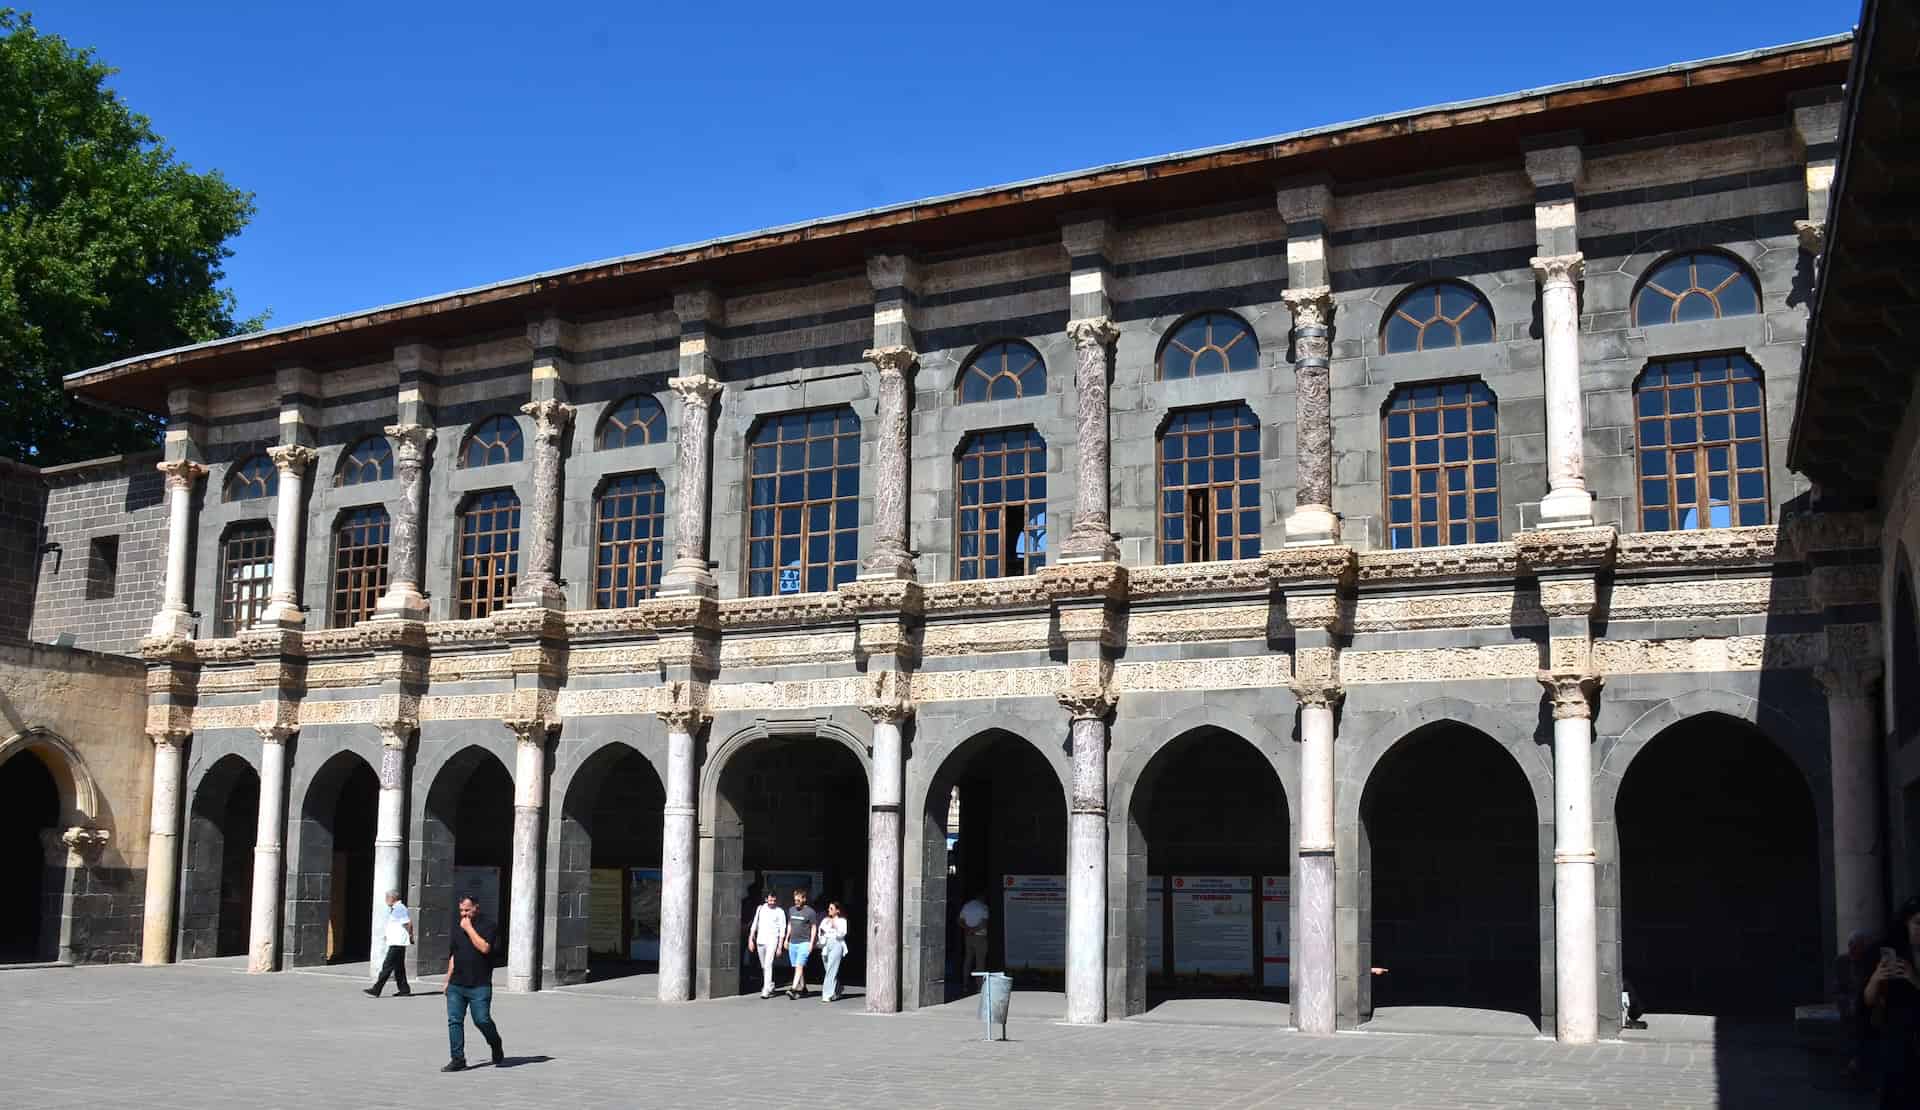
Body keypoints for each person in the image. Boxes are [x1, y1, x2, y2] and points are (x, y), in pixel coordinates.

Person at [1866, 897, 1920, 1108]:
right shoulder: (1895, 951)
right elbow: (1868, 1000)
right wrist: (1876, 978)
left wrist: (1915, 980)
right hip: (1897, 1040)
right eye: (1917, 923)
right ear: (1906, 923)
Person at [443, 894, 505, 1073]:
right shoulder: (458, 926)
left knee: (482, 1020)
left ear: (476, 908)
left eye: (467, 910)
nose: (464, 914)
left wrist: (469, 929)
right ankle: (458, 1059)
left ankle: (495, 1043)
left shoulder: (489, 926)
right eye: (461, 910)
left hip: (480, 984)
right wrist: (447, 979)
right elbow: (454, 955)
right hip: (457, 984)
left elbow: (485, 948)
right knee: (454, 1021)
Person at [364, 889, 413, 998]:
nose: (386, 900)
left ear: (392, 898)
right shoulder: (396, 908)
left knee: (387, 966)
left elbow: (408, 923)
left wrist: (410, 936)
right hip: (397, 942)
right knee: (399, 967)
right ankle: (404, 989)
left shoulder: (399, 908)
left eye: (387, 898)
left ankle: (376, 989)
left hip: (398, 943)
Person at [745, 890, 787, 999]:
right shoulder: (760, 909)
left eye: (774, 900)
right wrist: (750, 939)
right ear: (766, 899)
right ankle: (770, 984)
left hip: (773, 940)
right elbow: (755, 924)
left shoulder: (780, 911)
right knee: (764, 965)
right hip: (760, 940)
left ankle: (765, 989)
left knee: (768, 964)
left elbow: (782, 929)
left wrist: (779, 946)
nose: (772, 902)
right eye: (770, 900)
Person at [782, 888, 819, 999]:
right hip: (793, 942)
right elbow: (789, 925)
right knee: (798, 966)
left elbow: (813, 927)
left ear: (804, 899)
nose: (796, 902)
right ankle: (803, 988)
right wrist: (786, 939)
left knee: (799, 965)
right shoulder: (791, 910)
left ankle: (793, 989)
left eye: (798, 900)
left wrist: (812, 943)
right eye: (795, 900)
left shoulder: (810, 912)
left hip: (804, 942)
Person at [818, 900, 850, 1003]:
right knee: (828, 969)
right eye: (829, 908)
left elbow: (842, 934)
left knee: (832, 969)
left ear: (837, 911)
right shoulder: (825, 920)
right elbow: (821, 932)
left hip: (837, 944)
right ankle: (838, 988)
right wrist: (822, 933)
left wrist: (834, 925)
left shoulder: (842, 921)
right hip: (826, 945)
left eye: (831, 908)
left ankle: (827, 994)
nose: (829, 910)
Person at [958, 894, 990, 986]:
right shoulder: (983, 907)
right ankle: (979, 986)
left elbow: (959, 921)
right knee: (980, 962)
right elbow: (983, 924)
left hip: (968, 937)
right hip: (980, 937)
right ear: (982, 897)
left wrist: (968, 929)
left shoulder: (967, 906)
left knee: (968, 960)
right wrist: (974, 930)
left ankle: (965, 984)